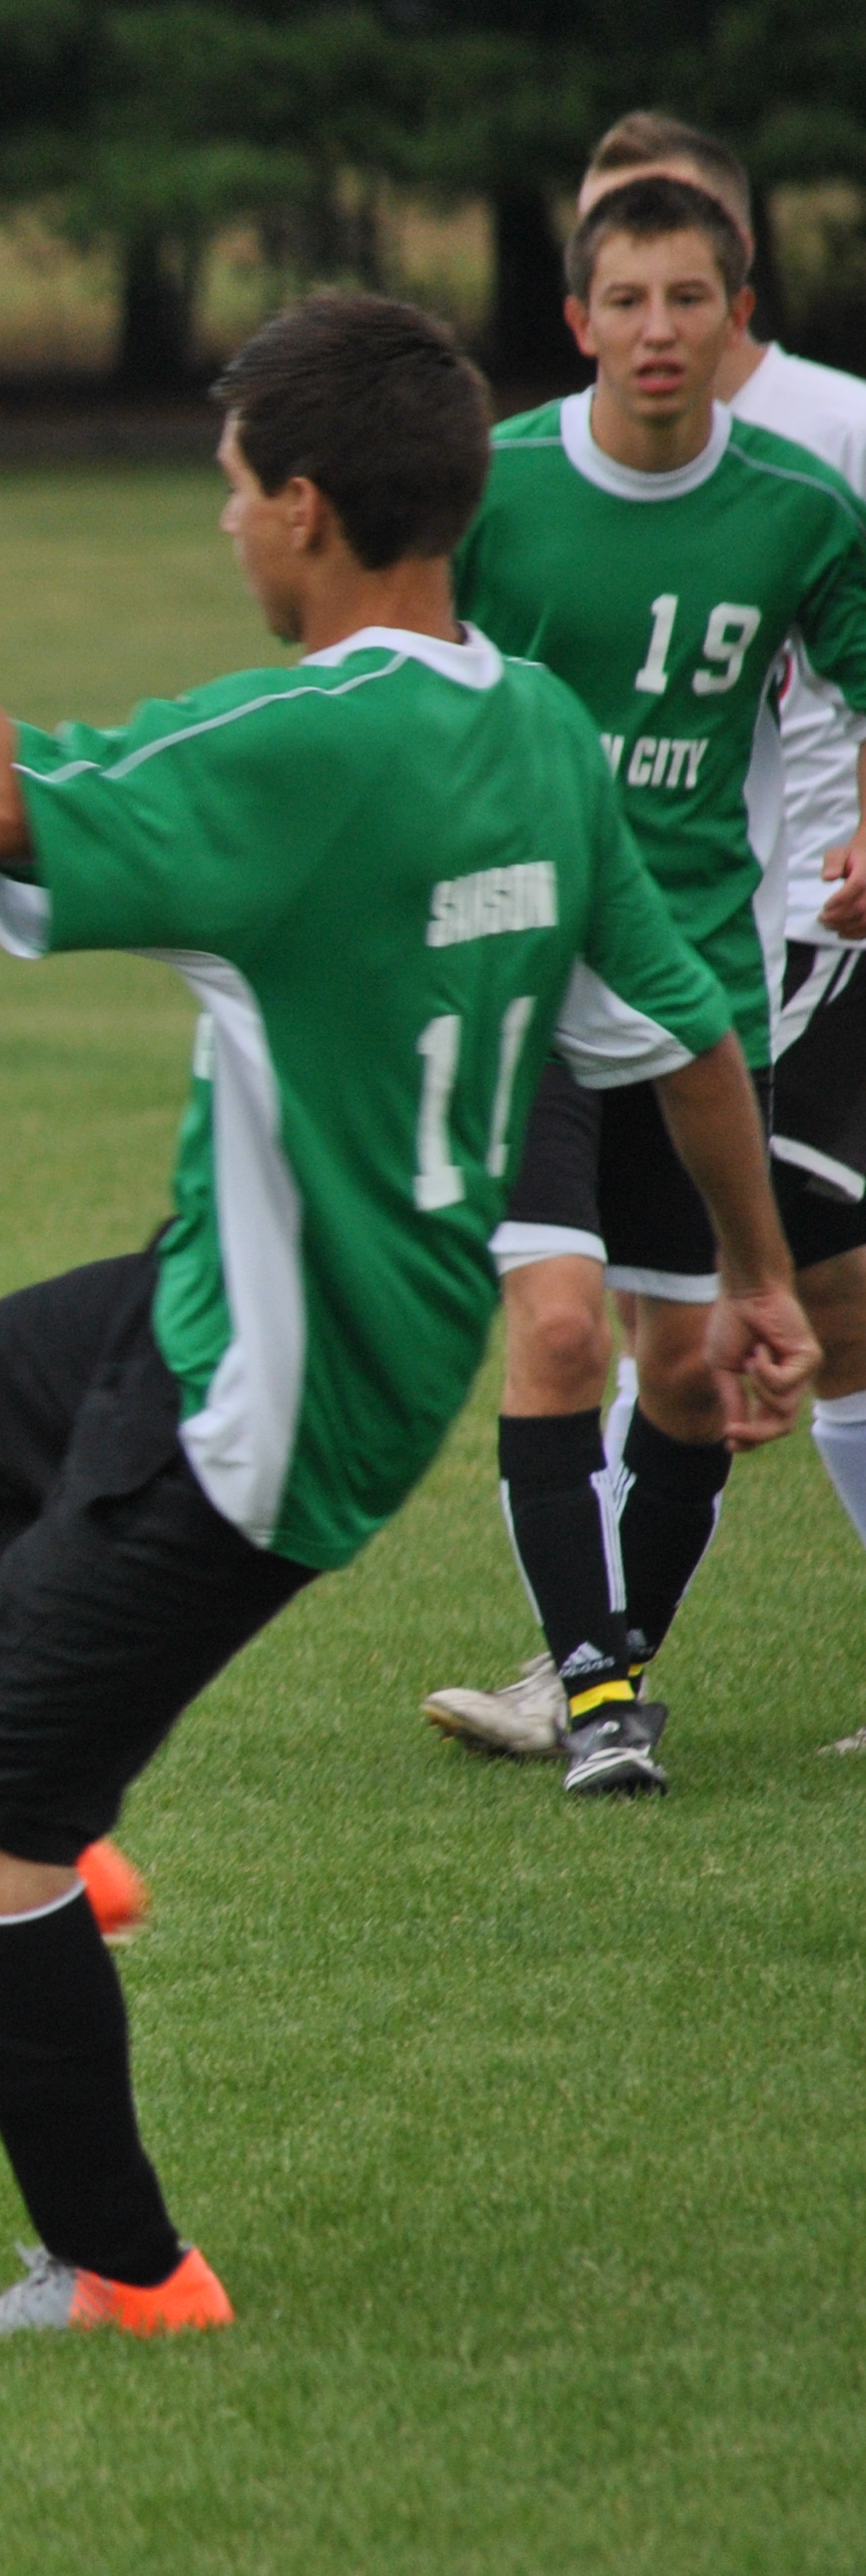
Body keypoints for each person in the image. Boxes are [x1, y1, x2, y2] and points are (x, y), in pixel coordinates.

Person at [0, 295, 808, 2335]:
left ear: (314, 511)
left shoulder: (310, 740)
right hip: (250, 1312)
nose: (228, 532)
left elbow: (0, 803)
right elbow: (680, 1029)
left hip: (265, 1397)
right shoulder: (529, 720)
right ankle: (67, 1850)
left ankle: (125, 2273)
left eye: (236, 494)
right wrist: (760, 1274)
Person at [415, 175, 866, 1792]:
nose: (656, 330)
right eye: (626, 301)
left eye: (688, 299)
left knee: (681, 1371)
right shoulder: (500, 491)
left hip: (695, 998)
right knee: (551, 1332)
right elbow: (403, 674)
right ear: (576, 321)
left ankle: (582, 1670)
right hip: (522, 975)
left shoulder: (798, 514)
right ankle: (599, 1704)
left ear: (736, 313)